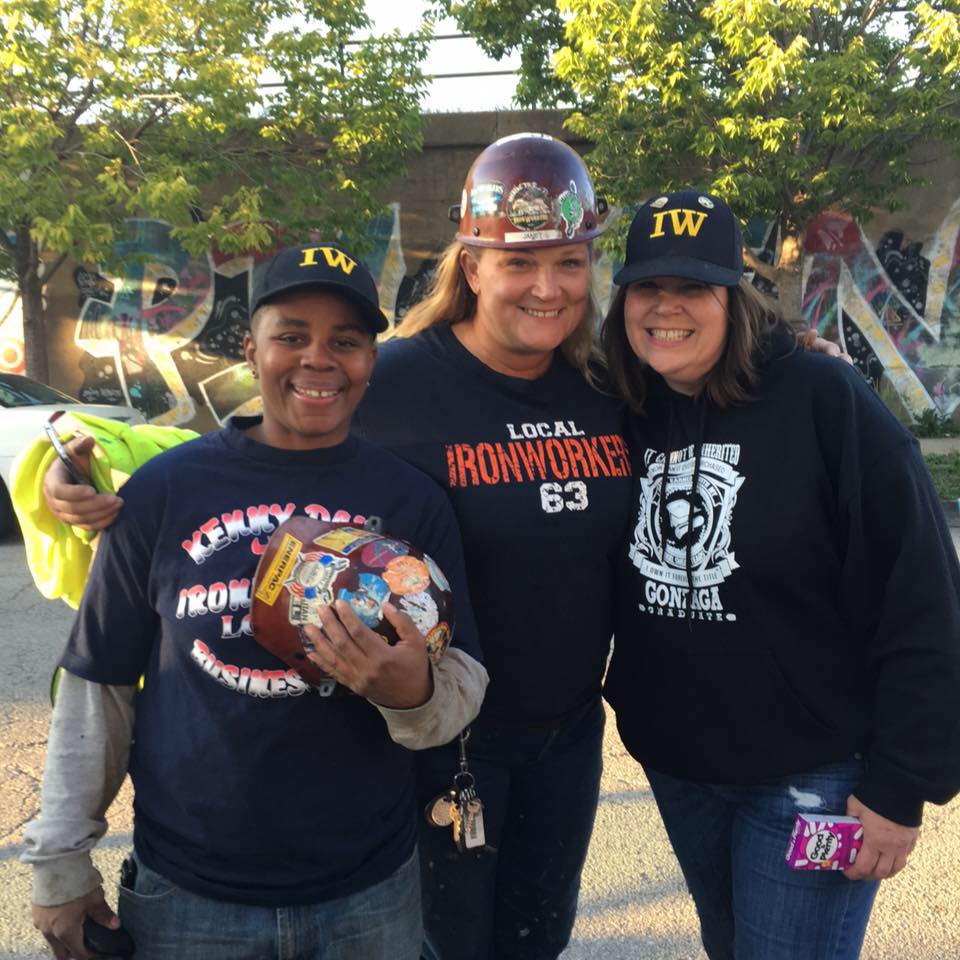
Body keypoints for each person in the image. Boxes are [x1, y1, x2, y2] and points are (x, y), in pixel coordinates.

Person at [34, 139, 845, 960]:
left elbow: (708, 386)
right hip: (430, 737)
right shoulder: (390, 377)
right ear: (474, 263)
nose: (547, 286)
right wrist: (80, 481)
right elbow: (262, 445)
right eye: (518, 261)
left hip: (565, 736)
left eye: (569, 262)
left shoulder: (611, 383)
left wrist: (785, 353)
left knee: (536, 941)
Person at [22, 242, 488, 960]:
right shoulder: (165, 492)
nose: (318, 360)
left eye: (347, 341)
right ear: (251, 347)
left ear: (372, 357)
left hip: (368, 888)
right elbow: (100, 686)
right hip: (190, 894)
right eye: (292, 336)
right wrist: (59, 862)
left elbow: (459, 685)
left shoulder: (409, 500)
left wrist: (412, 694)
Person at [600, 189, 960, 960]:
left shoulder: (823, 399)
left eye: (692, 287)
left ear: (733, 296)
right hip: (679, 767)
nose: (667, 308)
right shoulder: (623, 407)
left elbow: (922, 594)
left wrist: (902, 785)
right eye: (648, 287)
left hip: (813, 776)